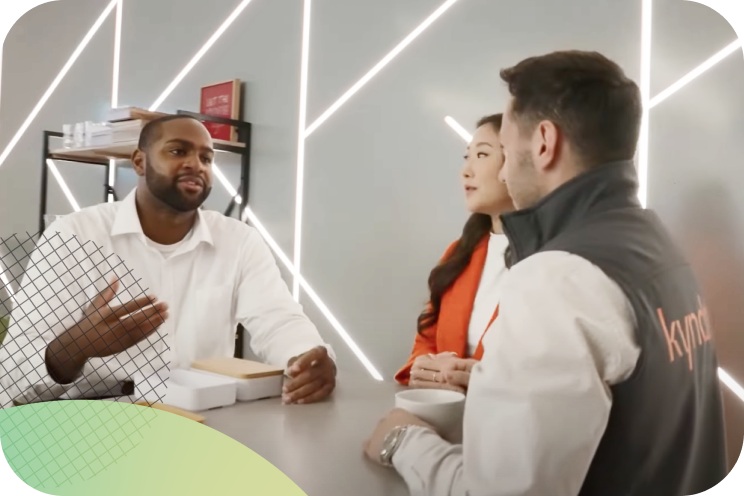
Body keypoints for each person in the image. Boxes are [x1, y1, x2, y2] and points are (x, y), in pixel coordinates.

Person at [365, 50, 727, 496]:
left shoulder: (556, 280)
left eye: (504, 142)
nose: (499, 161)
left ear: (542, 141)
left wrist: (402, 441)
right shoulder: (661, 249)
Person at [0, 114, 336, 408]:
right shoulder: (74, 234)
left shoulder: (239, 240)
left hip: (205, 424)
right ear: (139, 162)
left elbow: (277, 320)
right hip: (92, 425)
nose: (196, 164)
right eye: (178, 151)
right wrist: (74, 348)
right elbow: (12, 374)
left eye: (206, 158)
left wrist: (306, 359)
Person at [394, 114, 514, 393]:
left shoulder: (551, 261)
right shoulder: (460, 252)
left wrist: (485, 380)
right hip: (443, 413)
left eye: (482, 154)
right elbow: (426, 340)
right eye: (466, 156)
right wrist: (422, 369)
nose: (466, 171)